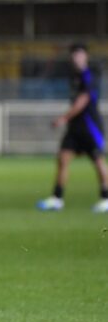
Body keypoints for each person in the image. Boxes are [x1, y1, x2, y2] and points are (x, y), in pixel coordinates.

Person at [37, 43, 108, 213]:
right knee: (63, 159)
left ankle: (106, 198)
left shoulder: (89, 75)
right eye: (74, 55)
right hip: (75, 127)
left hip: (90, 126)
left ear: (85, 56)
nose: (76, 58)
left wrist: (63, 118)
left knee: (98, 162)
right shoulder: (74, 76)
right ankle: (57, 198)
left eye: (79, 54)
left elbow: (83, 100)